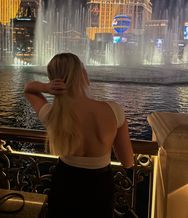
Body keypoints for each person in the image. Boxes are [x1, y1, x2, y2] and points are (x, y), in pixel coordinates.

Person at [24, 53, 134, 218]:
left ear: (54, 79)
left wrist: (46, 88)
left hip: (65, 182)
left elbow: (29, 90)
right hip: (100, 186)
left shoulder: (53, 115)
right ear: (82, 74)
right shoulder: (114, 111)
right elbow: (127, 161)